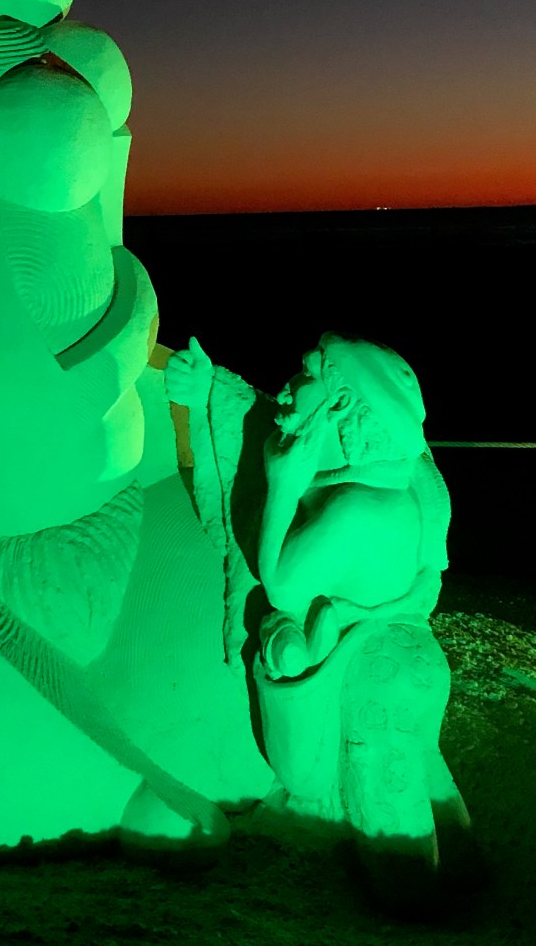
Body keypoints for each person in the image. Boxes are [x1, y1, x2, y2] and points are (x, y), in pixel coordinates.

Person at [166, 332, 469, 879]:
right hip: (411, 655)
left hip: (367, 672)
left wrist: (283, 484)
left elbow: (281, 584)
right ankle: (463, 861)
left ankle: (411, 891)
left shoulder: (353, 508)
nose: (288, 387)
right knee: (419, 768)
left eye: (307, 375)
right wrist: (204, 389)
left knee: (386, 806)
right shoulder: (407, 481)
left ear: (343, 404)